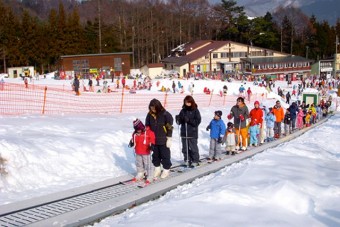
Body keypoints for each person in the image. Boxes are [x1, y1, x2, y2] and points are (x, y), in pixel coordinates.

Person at [145, 99, 173, 179]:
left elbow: (169, 127)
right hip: (154, 140)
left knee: (165, 155)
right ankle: (157, 169)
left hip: (163, 139)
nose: (152, 110)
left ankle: (166, 169)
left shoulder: (165, 114)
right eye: (151, 108)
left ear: (158, 107)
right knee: (155, 155)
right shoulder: (149, 115)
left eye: (154, 108)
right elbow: (147, 125)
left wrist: (169, 138)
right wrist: (148, 136)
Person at [175, 95, 201, 167]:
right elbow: (179, 121)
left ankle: (195, 160)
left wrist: (189, 120)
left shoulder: (195, 110)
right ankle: (187, 159)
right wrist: (178, 119)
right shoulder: (183, 111)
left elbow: (197, 121)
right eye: (186, 102)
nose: (188, 104)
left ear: (192, 102)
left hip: (192, 132)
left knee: (193, 148)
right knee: (185, 148)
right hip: (184, 132)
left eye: (189, 102)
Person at [128, 119, 155, 184]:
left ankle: (150, 176)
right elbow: (133, 139)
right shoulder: (135, 133)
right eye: (137, 130)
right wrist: (131, 142)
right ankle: (140, 173)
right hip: (138, 151)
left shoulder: (148, 132)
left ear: (142, 127)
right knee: (139, 163)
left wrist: (152, 145)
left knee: (147, 164)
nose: (138, 131)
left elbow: (152, 138)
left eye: (139, 130)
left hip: (146, 151)